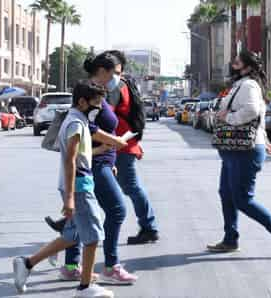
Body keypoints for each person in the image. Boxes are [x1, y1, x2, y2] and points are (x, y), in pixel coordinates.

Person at [12, 81, 113, 298]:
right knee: (94, 236)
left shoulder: (79, 120)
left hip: (78, 183)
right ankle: (85, 288)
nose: (99, 108)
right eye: (96, 103)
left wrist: (102, 149)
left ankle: (27, 263)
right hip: (79, 186)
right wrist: (69, 199)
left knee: (72, 235)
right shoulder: (76, 124)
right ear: (82, 102)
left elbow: (80, 157)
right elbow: (70, 161)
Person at [47, 51, 138, 284]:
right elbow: (88, 128)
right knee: (116, 210)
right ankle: (111, 266)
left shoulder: (99, 95)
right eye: (116, 72)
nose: (119, 77)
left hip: (101, 162)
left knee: (81, 219)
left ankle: (70, 266)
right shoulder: (89, 96)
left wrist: (112, 158)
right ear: (103, 71)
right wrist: (114, 142)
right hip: (92, 164)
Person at [207, 51, 271, 257]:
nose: (233, 64)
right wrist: (264, 140)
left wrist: (227, 117)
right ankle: (230, 239)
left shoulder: (248, 85)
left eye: (237, 62)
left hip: (243, 151)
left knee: (242, 199)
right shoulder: (241, 85)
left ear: (246, 67)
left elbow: (252, 112)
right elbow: (259, 121)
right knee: (226, 194)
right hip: (234, 149)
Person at [109, 50, 160, 245]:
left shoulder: (117, 86)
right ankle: (72, 224)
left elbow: (108, 115)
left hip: (119, 145)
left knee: (130, 187)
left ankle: (149, 227)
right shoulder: (125, 84)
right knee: (100, 186)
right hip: (123, 143)